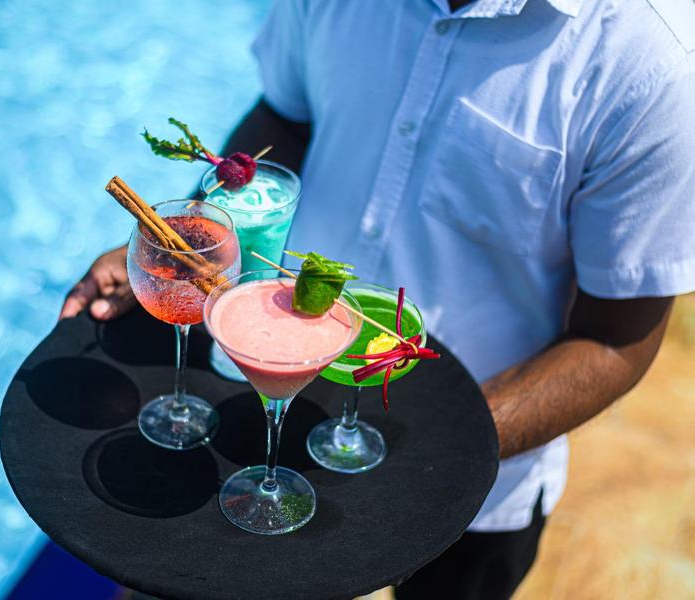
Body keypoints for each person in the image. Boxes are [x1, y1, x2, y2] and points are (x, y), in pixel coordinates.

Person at [60, 0, 695, 598]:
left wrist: (446, 447)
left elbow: (618, 337)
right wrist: (188, 244)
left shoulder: (655, 69)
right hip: (263, 394)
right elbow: (283, 116)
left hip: (468, 482)